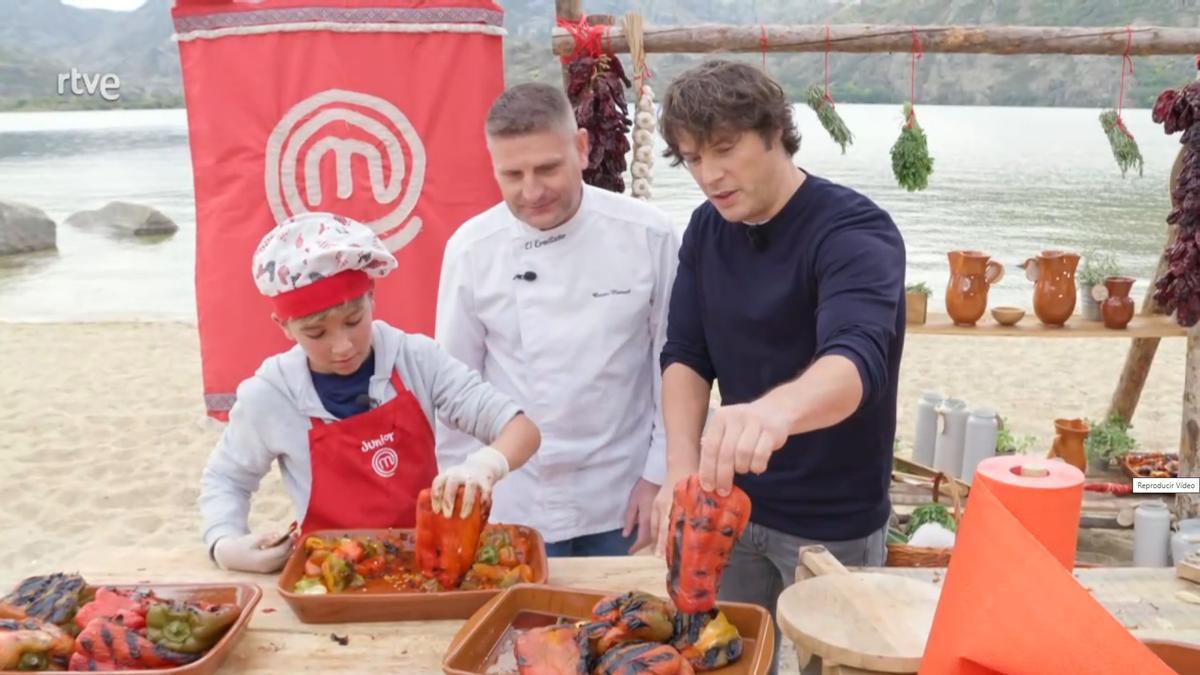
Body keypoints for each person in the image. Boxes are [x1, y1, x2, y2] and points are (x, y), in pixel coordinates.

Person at [647, 60, 906, 674]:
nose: (708, 175)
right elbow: (685, 354)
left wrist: (774, 411)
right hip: (726, 509)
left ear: (774, 133)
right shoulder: (708, 229)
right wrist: (681, 472)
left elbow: (856, 359)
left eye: (725, 149)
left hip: (831, 522)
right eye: (690, 158)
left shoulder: (853, 230)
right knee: (725, 660)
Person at [199, 212, 541, 573]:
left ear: (371, 297)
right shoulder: (269, 395)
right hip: (330, 574)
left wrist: (484, 466)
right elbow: (227, 478)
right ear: (284, 326)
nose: (342, 346)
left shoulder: (417, 360)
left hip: (432, 567)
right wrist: (225, 542)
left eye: (353, 321)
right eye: (316, 334)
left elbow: (521, 430)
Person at [435, 82, 679, 556]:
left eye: (548, 168)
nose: (532, 191)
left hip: (621, 492)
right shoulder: (470, 248)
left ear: (582, 148)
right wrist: (463, 488)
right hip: (515, 498)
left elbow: (671, 365)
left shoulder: (649, 234)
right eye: (512, 174)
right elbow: (454, 386)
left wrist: (659, 473)